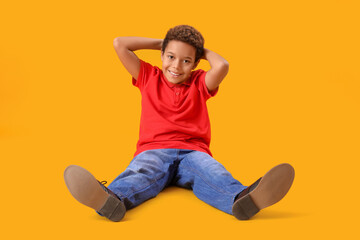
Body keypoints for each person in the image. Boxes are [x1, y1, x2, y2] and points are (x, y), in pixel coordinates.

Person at [64, 25, 295, 222]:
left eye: (186, 61)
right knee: (140, 173)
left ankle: (242, 200)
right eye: (171, 57)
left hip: (193, 152)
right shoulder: (147, 76)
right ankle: (111, 200)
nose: (176, 66)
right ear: (162, 55)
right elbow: (119, 44)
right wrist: (163, 43)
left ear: (195, 64)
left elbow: (222, 65)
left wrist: (200, 51)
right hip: (154, 149)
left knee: (213, 172)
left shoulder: (199, 82)